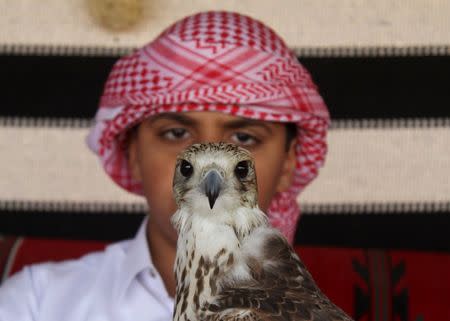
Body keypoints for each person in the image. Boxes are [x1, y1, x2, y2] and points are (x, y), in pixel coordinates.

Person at [0, 11, 329, 321]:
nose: (208, 173)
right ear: (133, 153)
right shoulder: (37, 301)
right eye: (176, 133)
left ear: (288, 163)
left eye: (243, 137)